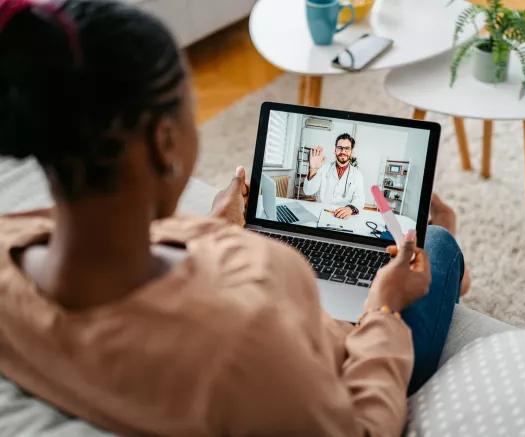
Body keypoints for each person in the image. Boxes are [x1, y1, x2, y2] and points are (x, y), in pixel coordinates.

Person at [0, 1, 464, 436]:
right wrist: (383, 304)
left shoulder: (9, 249)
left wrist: (216, 225)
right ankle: (450, 276)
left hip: (278, 319)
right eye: (191, 110)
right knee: (437, 243)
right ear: (164, 142)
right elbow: (359, 427)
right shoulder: (244, 345)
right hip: (345, 352)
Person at [303, 133, 366, 219]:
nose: (343, 152)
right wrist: (313, 169)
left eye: (347, 148)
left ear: (351, 152)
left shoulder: (357, 174)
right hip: (321, 212)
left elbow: (360, 198)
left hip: (344, 216)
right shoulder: (323, 168)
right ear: (335, 150)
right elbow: (308, 191)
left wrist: (350, 208)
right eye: (340, 148)